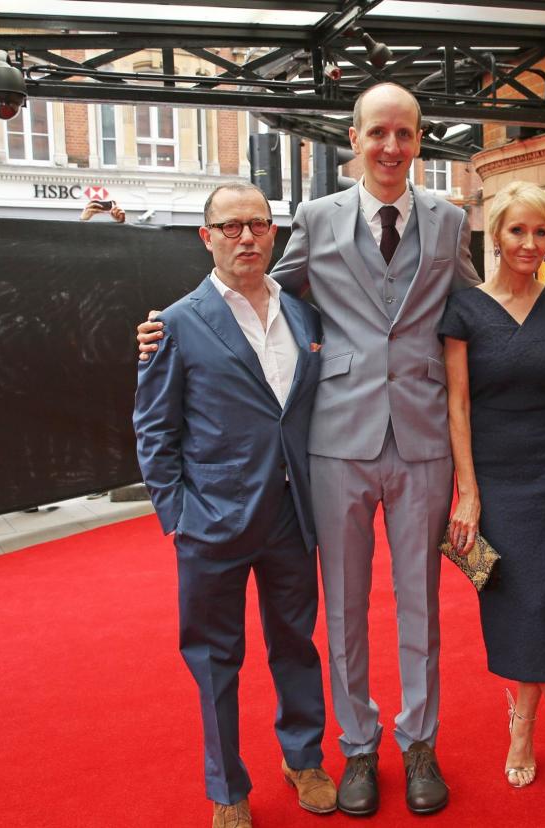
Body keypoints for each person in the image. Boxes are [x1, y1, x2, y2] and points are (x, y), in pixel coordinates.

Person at [138, 82, 479, 816]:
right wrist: (169, 325)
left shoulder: (450, 221)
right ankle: (357, 747)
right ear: (352, 139)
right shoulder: (317, 220)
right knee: (345, 608)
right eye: (377, 132)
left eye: (405, 133)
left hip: (422, 438)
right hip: (335, 442)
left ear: (420, 141)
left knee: (421, 603)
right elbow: (256, 286)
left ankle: (418, 741)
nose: (391, 146)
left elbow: (478, 305)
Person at [133, 183, 335, 828]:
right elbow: (154, 430)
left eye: (258, 224)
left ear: (273, 233)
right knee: (215, 659)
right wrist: (179, 516)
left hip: (290, 515)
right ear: (207, 236)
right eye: (231, 227)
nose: (246, 237)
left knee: (296, 645)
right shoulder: (175, 322)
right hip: (211, 523)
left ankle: (303, 758)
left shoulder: (304, 317)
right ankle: (227, 789)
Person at [439, 181, 545, 799]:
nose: (529, 243)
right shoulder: (464, 308)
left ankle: (527, 724)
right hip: (495, 478)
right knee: (514, 603)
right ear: (494, 236)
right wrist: (468, 493)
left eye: (540, 231)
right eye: (516, 231)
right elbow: (457, 406)